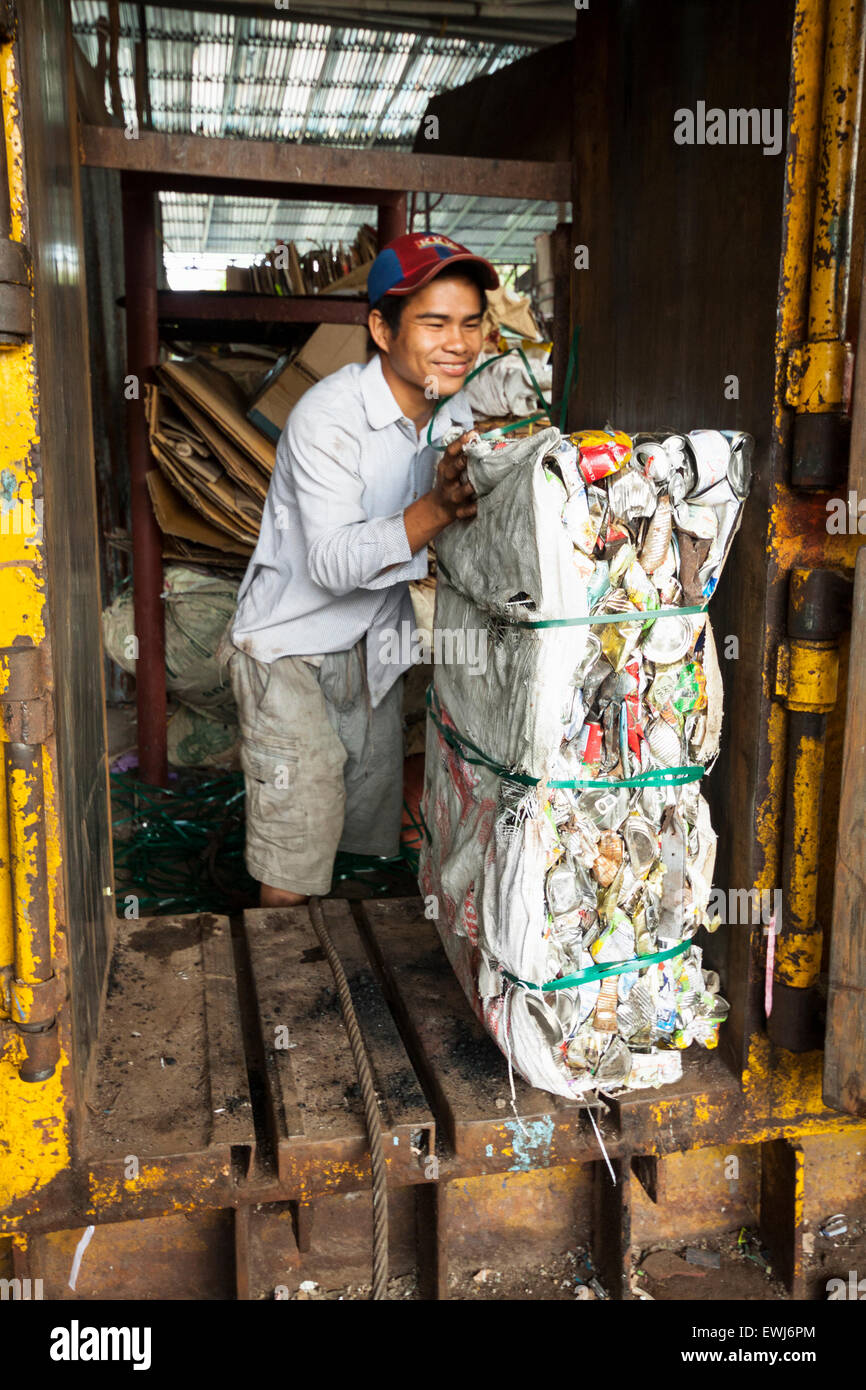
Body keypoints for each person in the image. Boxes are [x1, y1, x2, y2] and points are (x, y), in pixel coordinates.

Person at [223, 232, 499, 906]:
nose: (457, 343)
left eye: (470, 324)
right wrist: (435, 508)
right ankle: (283, 985)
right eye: (434, 323)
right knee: (295, 853)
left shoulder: (448, 413)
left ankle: (343, 968)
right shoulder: (328, 419)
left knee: (357, 838)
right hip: (289, 653)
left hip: (369, 652)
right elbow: (333, 561)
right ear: (381, 327)